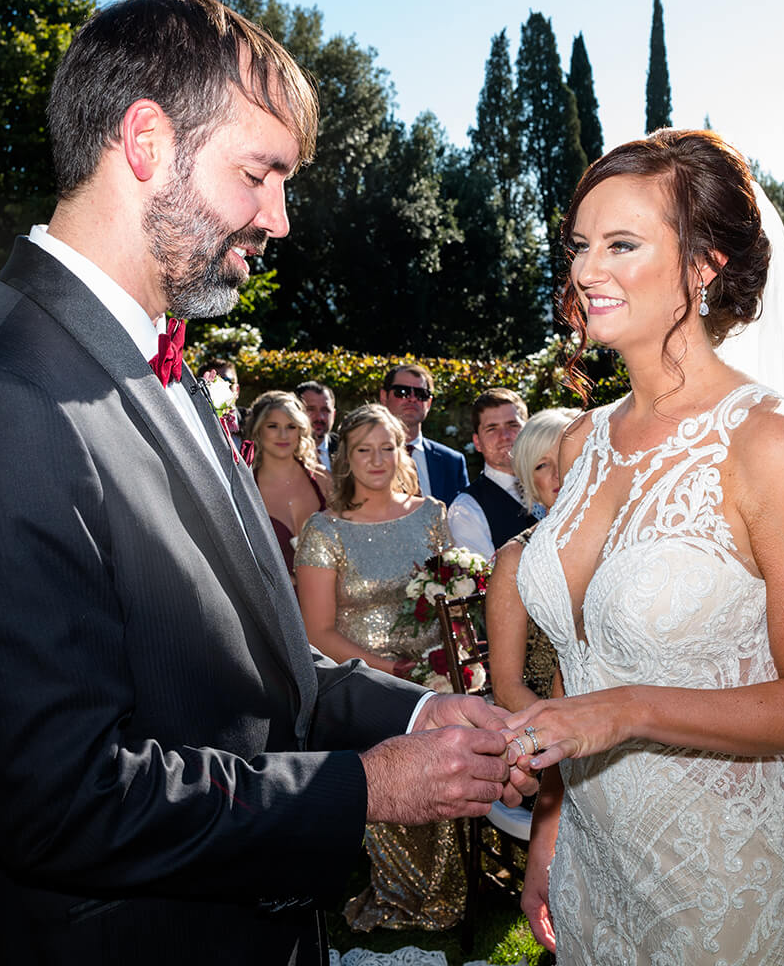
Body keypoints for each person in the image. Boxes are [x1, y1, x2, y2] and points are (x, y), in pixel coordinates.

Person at [0, 0, 531, 966]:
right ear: (146, 143)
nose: (281, 219)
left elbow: (261, 668)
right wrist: (369, 789)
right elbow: (65, 800)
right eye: (259, 175)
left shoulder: (160, 367)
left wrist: (426, 714)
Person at [507, 130, 784, 964]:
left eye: (621, 245)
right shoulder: (580, 446)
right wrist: (550, 830)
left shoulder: (771, 450)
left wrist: (632, 709)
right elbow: (582, 673)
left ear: (704, 264)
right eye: (579, 245)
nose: (583, 270)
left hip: (720, 881)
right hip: (596, 865)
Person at [293, 403, 465, 931]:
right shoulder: (325, 529)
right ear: (345, 457)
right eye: (363, 449)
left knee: (451, 773)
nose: (376, 459)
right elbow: (316, 630)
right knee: (396, 781)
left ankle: (454, 886)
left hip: (436, 673)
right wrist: (384, 667)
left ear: (402, 450)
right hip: (363, 681)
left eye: (386, 447)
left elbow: (453, 599)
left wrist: (452, 653)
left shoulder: (431, 515)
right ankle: (399, 890)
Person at [485, 407, 578, 712]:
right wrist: (565, 734)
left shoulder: (627, 541)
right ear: (528, 481)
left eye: (566, 459)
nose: (558, 475)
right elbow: (506, 688)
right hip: (554, 727)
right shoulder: (516, 558)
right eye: (542, 465)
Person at [245, 389, 332, 577]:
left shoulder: (323, 479)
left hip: (328, 597)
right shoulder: (247, 488)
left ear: (300, 430)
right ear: (258, 430)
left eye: (291, 426)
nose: (283, 435)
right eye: (273, 426)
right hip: (275, 603)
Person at [448, 387, 533, 559]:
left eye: (513, 425)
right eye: (492, 429)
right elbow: (487, 579)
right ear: (477, 442)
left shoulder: (556, 485)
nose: (505, 436)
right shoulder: (466, 508)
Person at [378, 363, 468, 503]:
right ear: (384, 397)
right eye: (402, 392)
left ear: (429, 403)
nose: (412, 398)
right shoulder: (364, 456)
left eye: (421, 394)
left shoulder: (452, 463)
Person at [294, 378, 337, 471]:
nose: (319, 417)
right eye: (311, 409)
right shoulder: (283, 450)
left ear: (333, 415)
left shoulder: (346, 449)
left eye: (325, 410)